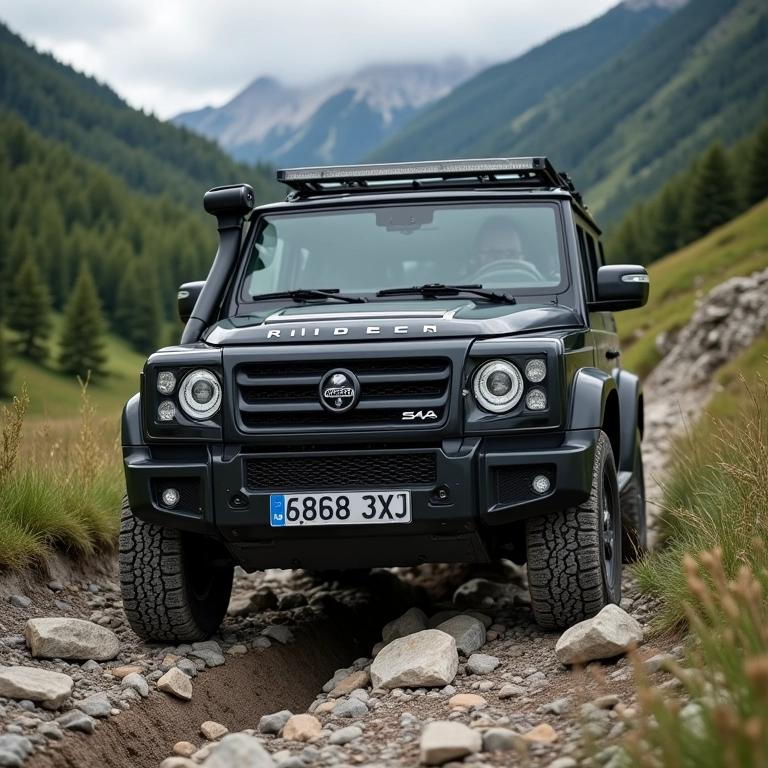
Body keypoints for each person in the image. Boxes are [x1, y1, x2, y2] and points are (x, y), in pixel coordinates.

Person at [469, 216, 543, 282]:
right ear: (477, 259)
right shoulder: (463, 292)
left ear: (522, 257)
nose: (503, 261)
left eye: (511, 254)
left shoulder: (544, 288)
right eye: (493, 255)